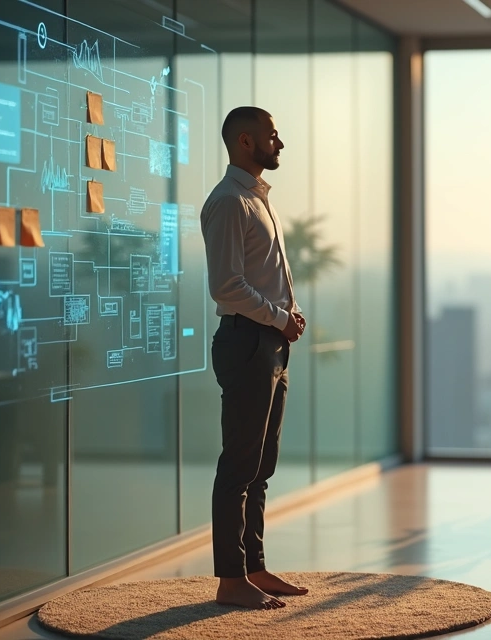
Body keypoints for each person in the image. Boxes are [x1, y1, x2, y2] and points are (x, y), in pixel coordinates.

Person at [200, 106, 308, 610]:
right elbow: (227, 287)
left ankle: (255, 569)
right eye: (272, 135)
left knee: (261, 466)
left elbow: (265, 275)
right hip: (247, 342)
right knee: (239, 466)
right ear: (246, 142)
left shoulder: (258, 200)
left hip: (269, 340)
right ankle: (230, 580)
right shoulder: (228, 202)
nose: (279, 143)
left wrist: (290, 314)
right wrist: (277, 318)